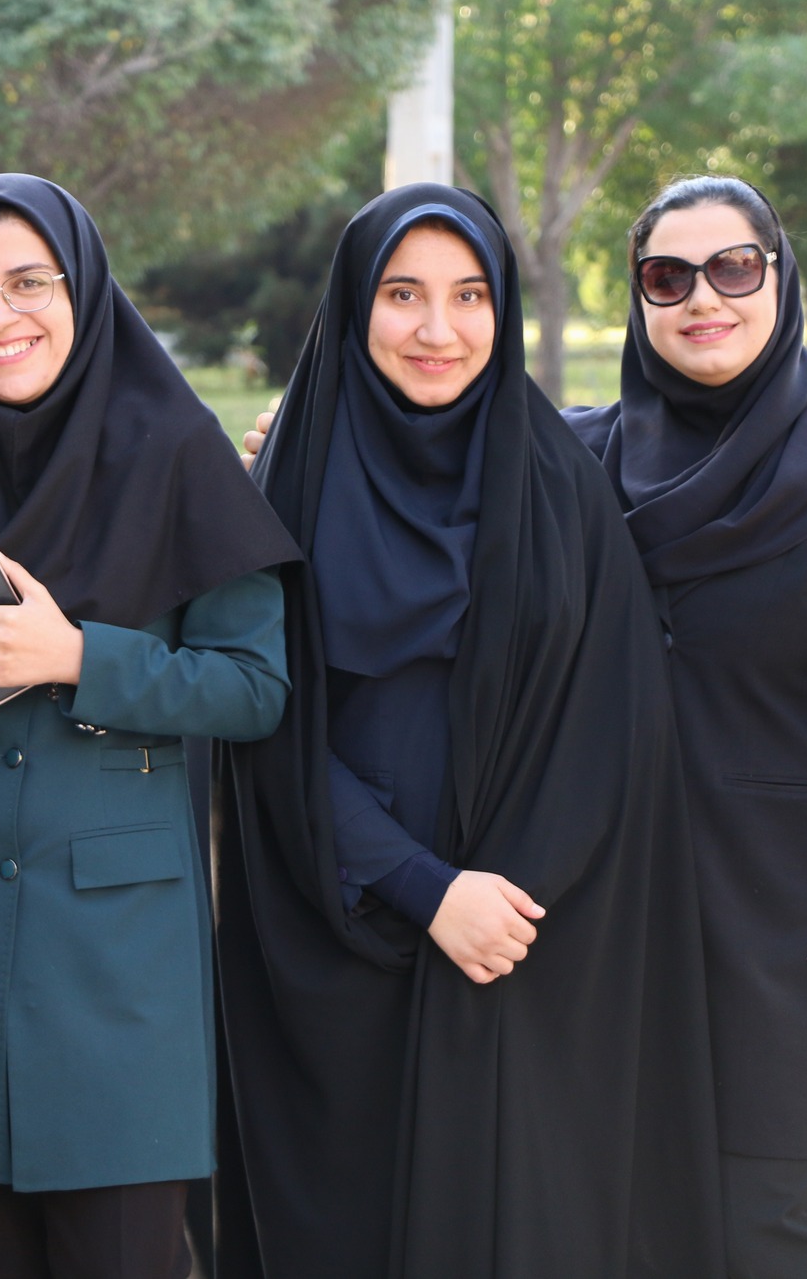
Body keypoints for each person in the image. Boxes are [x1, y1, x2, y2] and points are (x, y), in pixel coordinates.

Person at [238, 176, 807, 1277]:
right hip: (583, 937)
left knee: (769, 1232)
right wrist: (295, 446)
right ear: (635, 296)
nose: (703, 298)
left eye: (734, 269)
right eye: (668, 276)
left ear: (781, 280)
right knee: (630, 1232)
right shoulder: (575, 462)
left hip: (762, 926)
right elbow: (417, 471)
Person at [215, 183, 724, 1277]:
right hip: (330, 930)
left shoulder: (559, 489)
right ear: (354, 305)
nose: (436, 329)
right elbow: (263, 719)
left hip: (519, 948)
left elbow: (607, 723)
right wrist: (422, 885)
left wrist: (498, 899)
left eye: (469, 295)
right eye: (402, 294)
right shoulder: (284, 484)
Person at [0, 173, 299, 1279]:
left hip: (117, 961)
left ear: (82, 287)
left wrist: (79, 657)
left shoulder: (174, 447)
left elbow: (252, 687)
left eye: (28, 282)